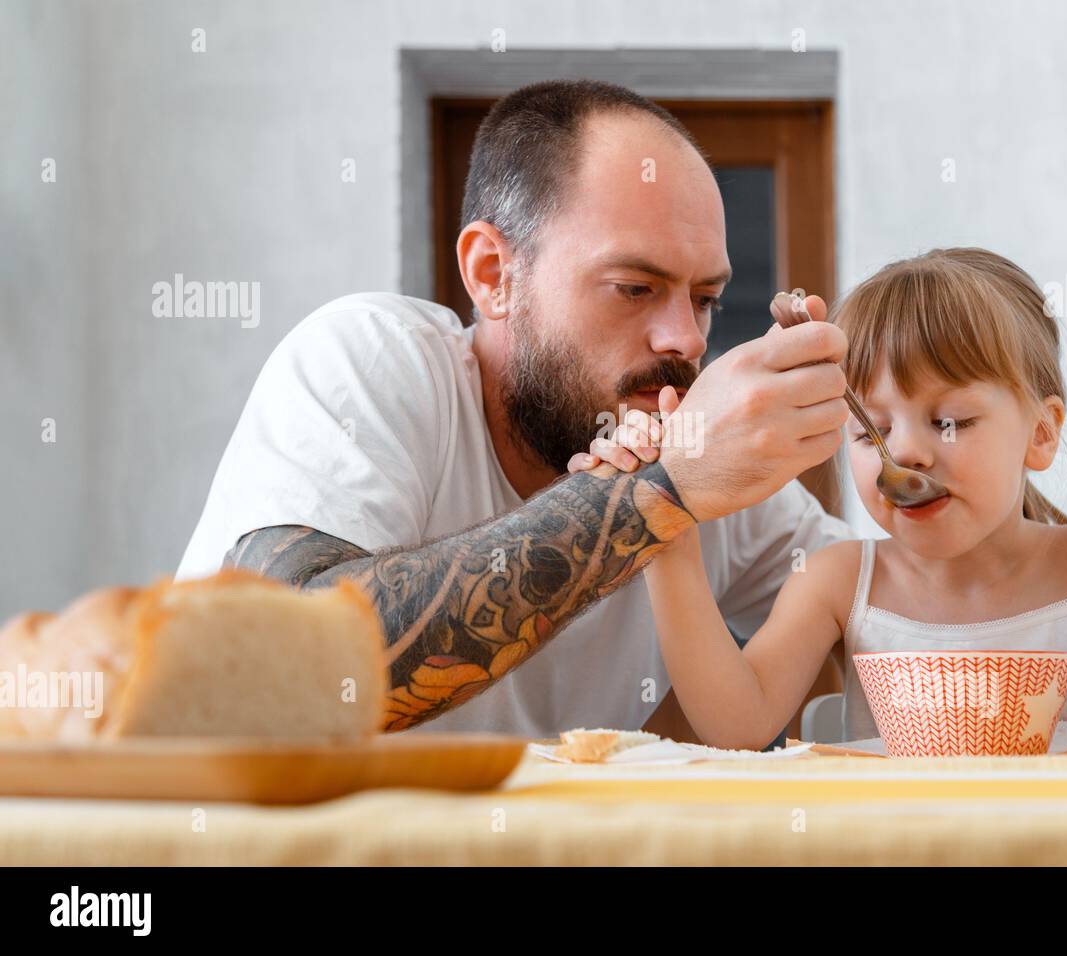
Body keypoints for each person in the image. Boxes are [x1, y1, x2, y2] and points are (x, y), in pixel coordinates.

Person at [175, 79, 857, 737]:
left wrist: (925, 433)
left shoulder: (697, 455)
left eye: (704, 298)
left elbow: (901, 615)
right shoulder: (375, 360)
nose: (686, 337)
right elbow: (276, 672)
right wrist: (663, 493)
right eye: (634, 288)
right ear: (493, 275)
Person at [573, 249, 1067, 752]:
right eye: (871, 431)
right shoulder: (838, 580)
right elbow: (736, 726)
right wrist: (667, 539)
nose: (909, 452)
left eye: (950, 422)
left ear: (1040, 432)